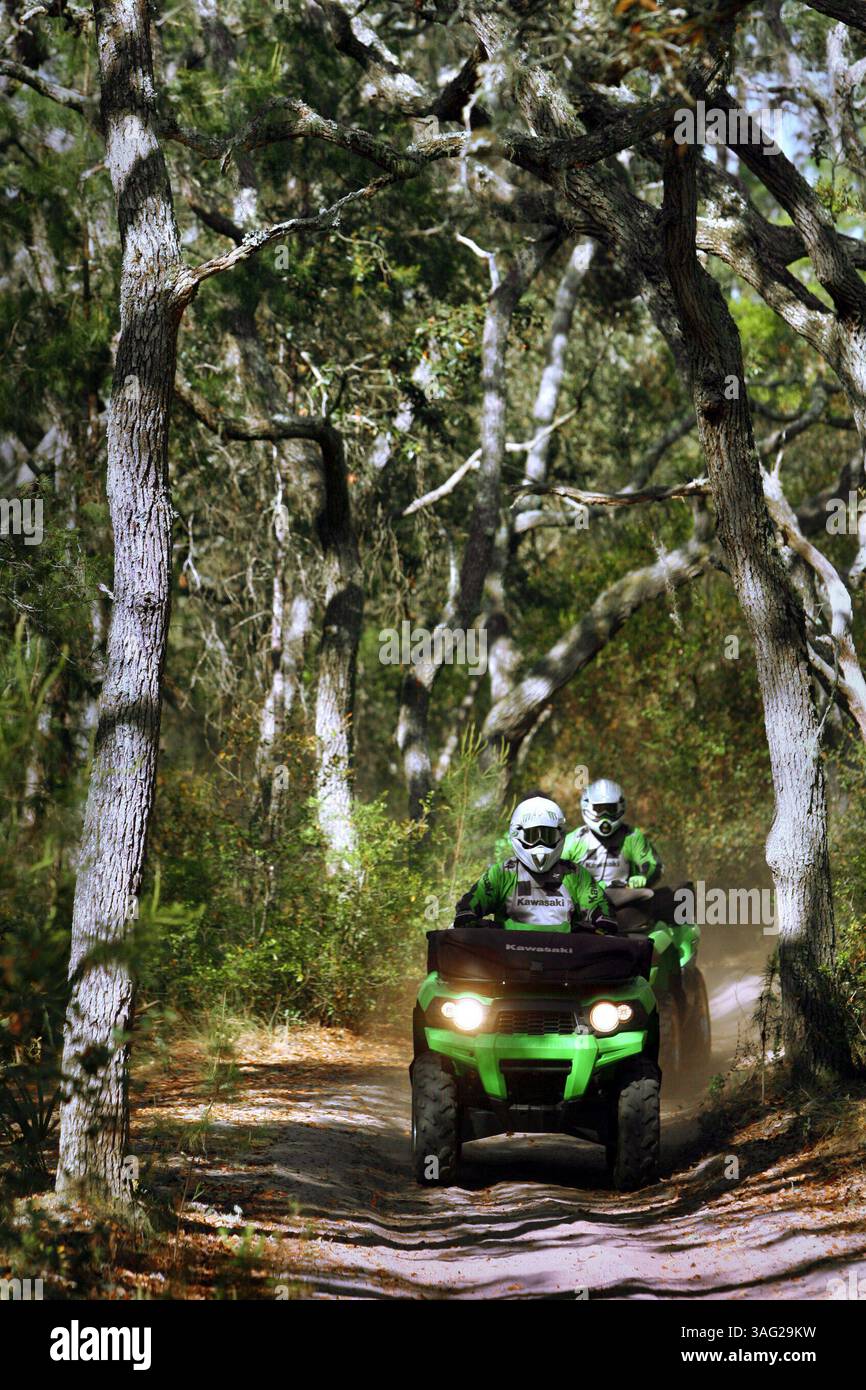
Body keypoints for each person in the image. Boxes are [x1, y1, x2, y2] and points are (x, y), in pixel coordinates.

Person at [454, 794, 613, 932]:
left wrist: (602, 919)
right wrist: (468, 916)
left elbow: (599, 906)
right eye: (532, 836)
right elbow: (471, 904)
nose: (540, 844)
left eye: (547, 836)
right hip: (508, 958)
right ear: (517, 834)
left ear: (559, 835)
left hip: (565, 959)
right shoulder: (503, 873)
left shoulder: (575, 874)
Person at [563, 778, 662, 890]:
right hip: (582, 902)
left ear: (620, 807)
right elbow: (553, 870)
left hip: (625, 899)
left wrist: (643, 876)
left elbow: (654, 864)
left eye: (610, 809)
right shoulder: (574, 840)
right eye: (599, 809)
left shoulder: (632, 837)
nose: (605, 814)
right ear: (587, 807)